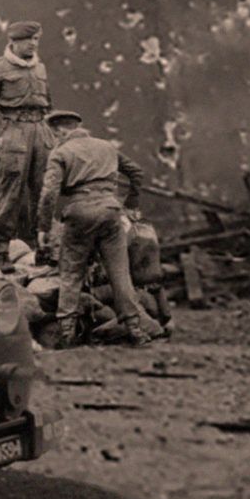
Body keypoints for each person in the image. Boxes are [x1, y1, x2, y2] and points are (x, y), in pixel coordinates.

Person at [39, 109, 163, 348]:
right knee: (119, 272)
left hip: (80, 213)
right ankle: (136, 330)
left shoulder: (60, 153)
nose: (52, 138)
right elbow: (136, 172)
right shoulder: (107, 147)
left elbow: (48, 195)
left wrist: (44, 227)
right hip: (111, 211)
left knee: (71, 272)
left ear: (60, 130)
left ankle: (66, 332)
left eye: (52, 133)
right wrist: (131, 203)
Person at [0, 20, 54, 258]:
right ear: (13, 42)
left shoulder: (41, 69)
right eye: (28, 40)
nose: (33, 45)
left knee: (44, 189)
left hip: (41, 129)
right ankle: (1, 247)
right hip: (14, 131)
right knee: (11, 189)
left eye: (36, 40)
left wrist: (52, 133)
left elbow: (49, 104)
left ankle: (43, 245)